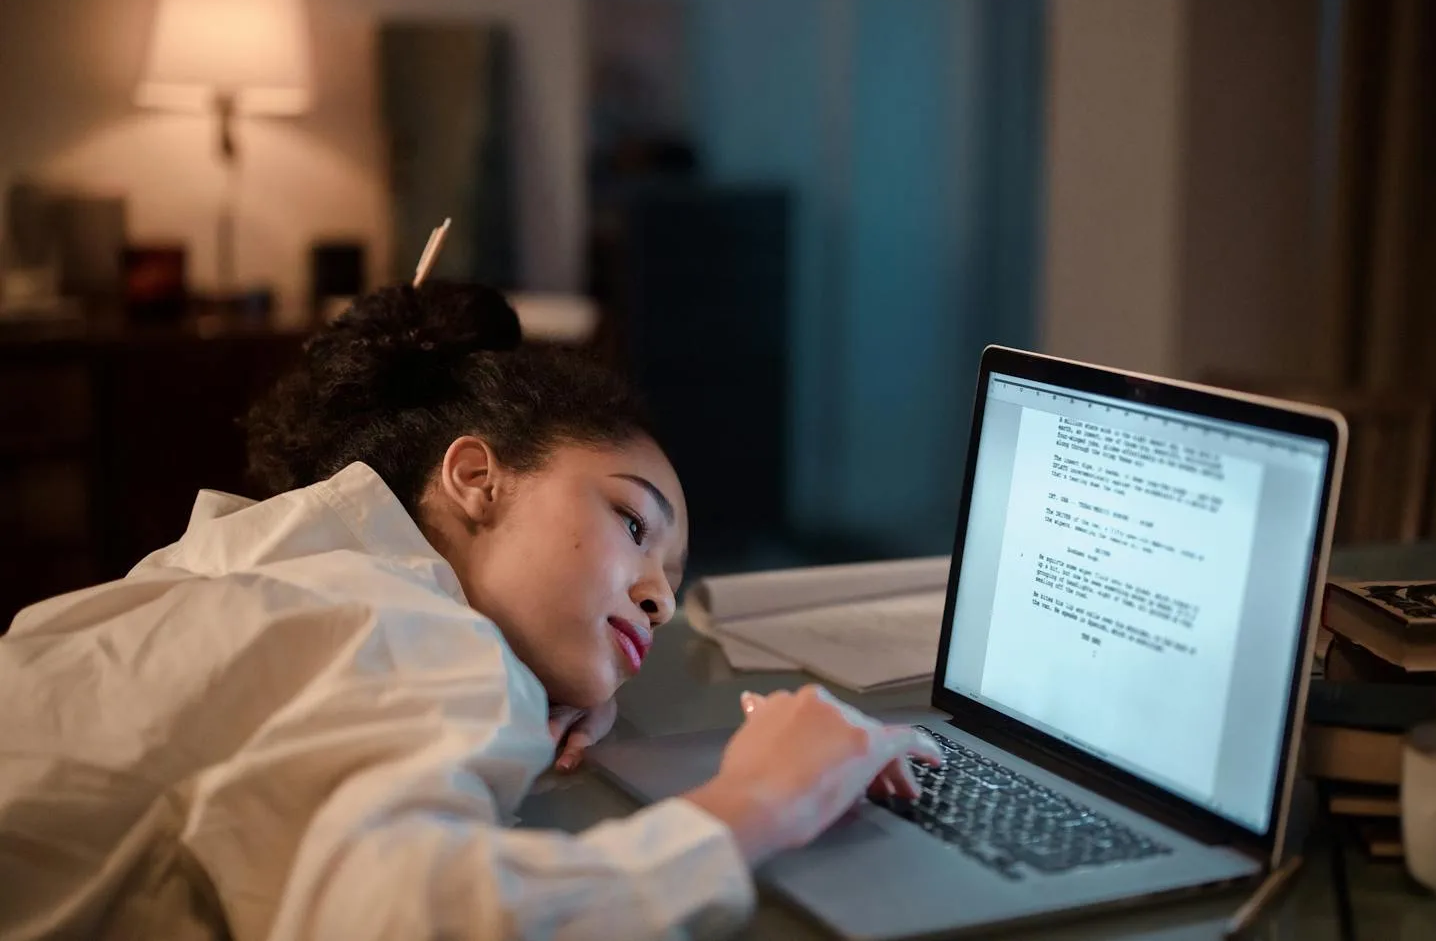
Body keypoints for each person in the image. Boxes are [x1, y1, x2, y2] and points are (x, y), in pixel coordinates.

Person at [0, 282, 940, 941]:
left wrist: (543, 669)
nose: (659, 592)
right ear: (476, 477)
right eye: (632, 522)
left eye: (671, 571)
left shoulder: (263, 564)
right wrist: (756, 802)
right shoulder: (412, 629)